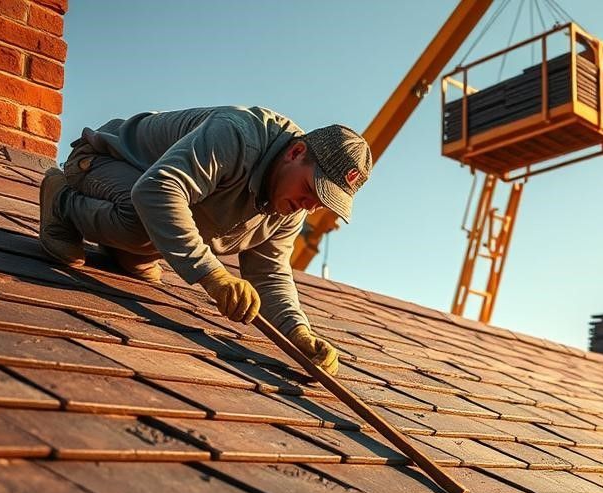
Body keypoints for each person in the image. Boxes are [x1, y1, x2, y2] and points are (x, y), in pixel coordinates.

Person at [37, 106, 373, 375]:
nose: (311, 208)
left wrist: (298, 333)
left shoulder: (289, 207)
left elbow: (269, 272)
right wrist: (213, 276)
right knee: (143, 222)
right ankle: (61, 201)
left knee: (141, 251)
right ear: (296, 152)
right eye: (312, 190)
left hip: (136, 194)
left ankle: (125, 247)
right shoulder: (237, 135)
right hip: (102, 163)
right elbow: (157, 189)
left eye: (323, 203)